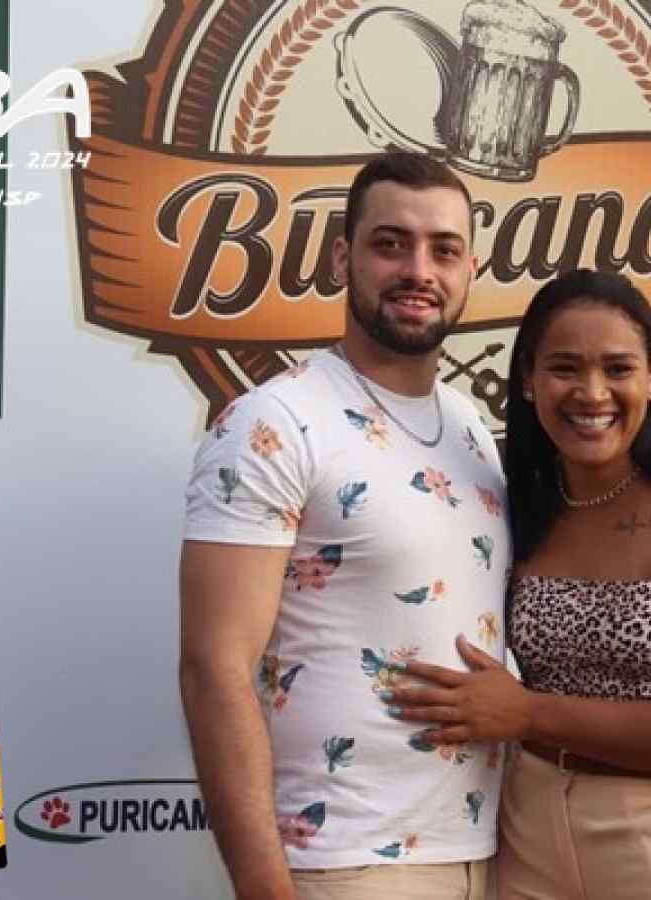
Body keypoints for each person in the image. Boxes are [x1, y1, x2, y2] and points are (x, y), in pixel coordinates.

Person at [386, 269, 651, 899]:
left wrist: (527, 712)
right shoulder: (517, 502)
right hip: (529, 829)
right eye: (564, 368)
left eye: (618, 368)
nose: (592, 393)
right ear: (528, 379)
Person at [179, 152, 510, 900]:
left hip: (485, 852)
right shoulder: (274, 422)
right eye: (390, 244)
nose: (418, 270)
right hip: (343, 863)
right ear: (341, 258)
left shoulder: (469, 427)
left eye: (444, 250)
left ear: (469, 270)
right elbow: (213, 669)